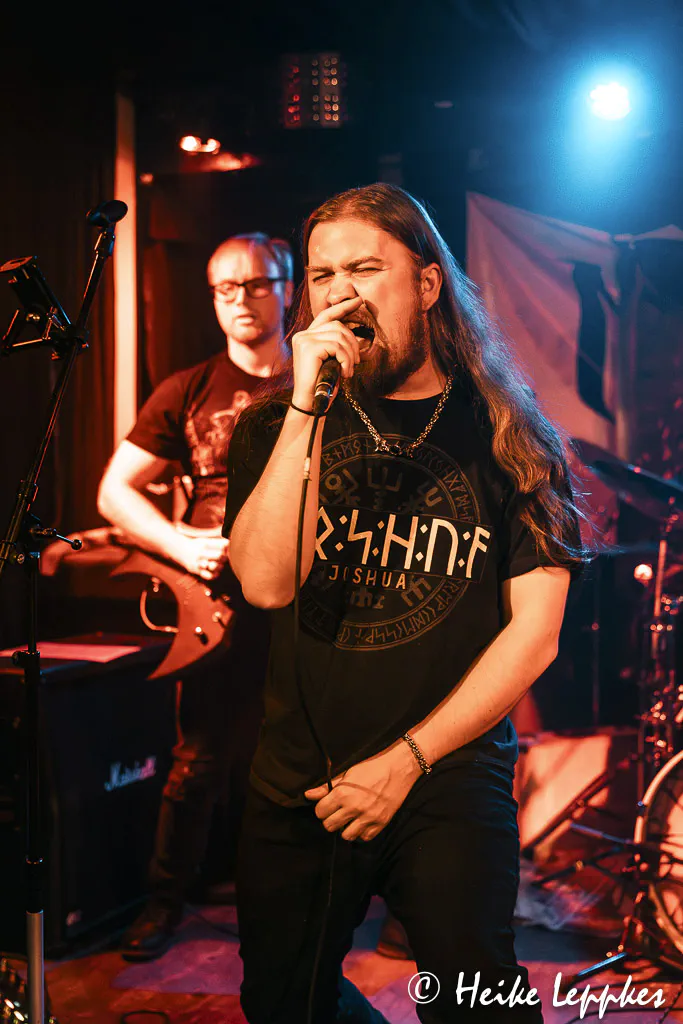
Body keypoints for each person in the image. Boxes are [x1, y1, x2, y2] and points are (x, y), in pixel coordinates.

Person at [222, 184, 588, 1023]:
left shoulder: (512, 439)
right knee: (283, 1005)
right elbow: (267, 583)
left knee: (477, 1006)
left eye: (364, 269)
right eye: (321, 275)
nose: (340, 294)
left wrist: (406, 761)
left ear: (426, 285)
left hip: (446, 773)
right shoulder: (273, 427)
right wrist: (306, 409)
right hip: (302, 777)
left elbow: (534, 636)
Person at [98, 231, 294, 960]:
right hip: (220, 601)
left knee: (304, 756)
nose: (241, 300)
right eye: (225, 288)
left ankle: (301, 905)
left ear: (288, 287)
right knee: (199, 758)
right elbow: (115, 490)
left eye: (256, 283)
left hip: (306, 599)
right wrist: (179, 544)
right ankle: (164, 901)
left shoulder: (321, 379)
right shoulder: (187, 388)